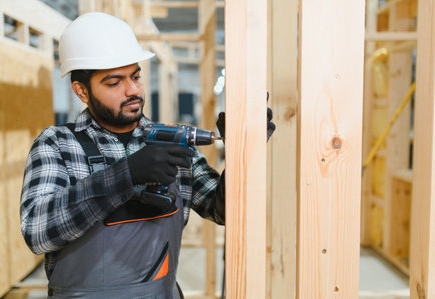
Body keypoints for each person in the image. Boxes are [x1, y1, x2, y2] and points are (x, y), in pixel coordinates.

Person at [20, 12, 274, 299]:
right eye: (114, 83)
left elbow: (222, 210)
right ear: (82, 91)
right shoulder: (58, 144)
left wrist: (243, 151)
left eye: (136, 76)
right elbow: (37, 231)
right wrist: (125, 175)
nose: (133, 90)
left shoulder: (173, 140)